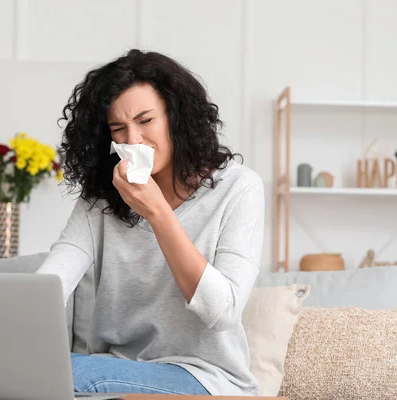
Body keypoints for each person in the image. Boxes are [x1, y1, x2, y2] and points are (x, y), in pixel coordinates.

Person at [36, 49, 264, 396]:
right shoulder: (102, 199)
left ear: (176, 117)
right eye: (119, 129)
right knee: (37, 370)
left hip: (205, 378)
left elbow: (223, 313)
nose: (133, 140)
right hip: (114, 368)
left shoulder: (239, 188)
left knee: (68, 373)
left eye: (145, 121)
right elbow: (53, 280)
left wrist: (157, 212)